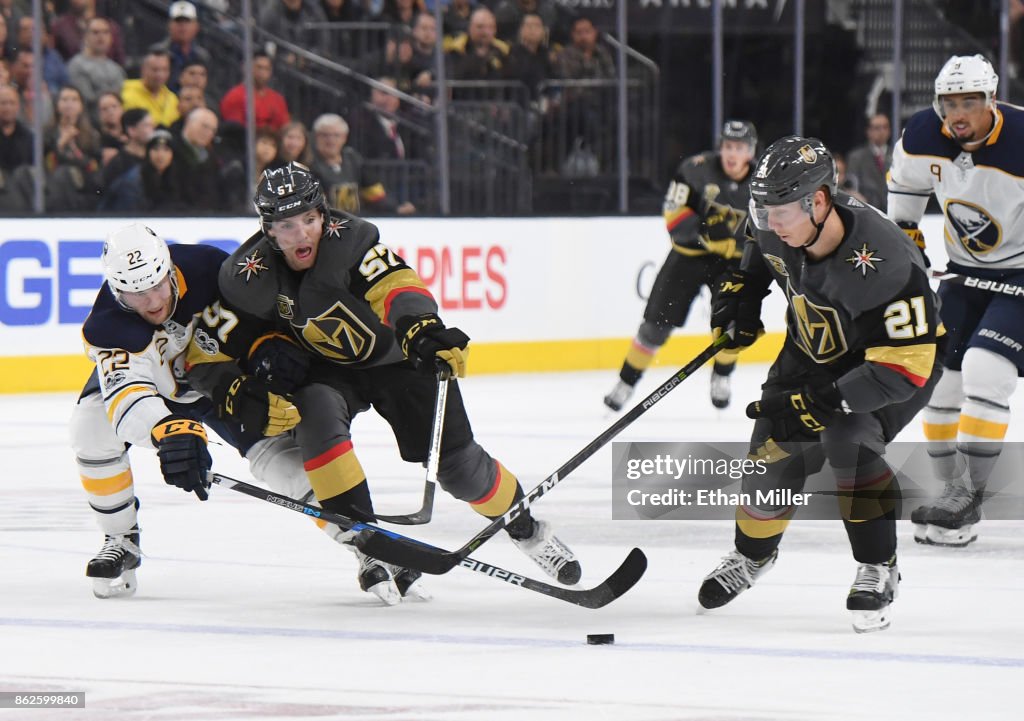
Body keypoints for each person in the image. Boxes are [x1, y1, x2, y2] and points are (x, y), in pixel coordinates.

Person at [184, 162, 583, 592]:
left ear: (323, 214)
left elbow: (395, 284)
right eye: (285, 225)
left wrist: (420, 326)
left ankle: (528, 530)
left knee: (461, 470)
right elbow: (207, 348)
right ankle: (365, 544)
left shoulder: (352, 240)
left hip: (397, 361)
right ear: (267, 229)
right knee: (315, 416)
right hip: (325, 370)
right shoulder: (247, 276)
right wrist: (234, 387)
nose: (301, 234)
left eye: (309, 219)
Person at [71, 223, 422, 604]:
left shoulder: (207, 267)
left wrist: (265, 347)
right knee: (90, 425)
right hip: (157, 387)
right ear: (117, 292)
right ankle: (121, 539)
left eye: (157, 285)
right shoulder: (108, 326)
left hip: (219, 380)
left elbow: (260, 313)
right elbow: (127, 397)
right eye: (137, 295)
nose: (154, 302)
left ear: (170, 268)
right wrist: (167, 430)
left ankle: (366, 543)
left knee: (285, 464)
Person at [697, 136, 941, 633]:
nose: (769, 222)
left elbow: (907, 368)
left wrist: (827, 402)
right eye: (761, 209)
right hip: (812, 351)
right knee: (771, 451)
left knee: (847, 441)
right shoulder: (778, 221)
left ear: (820, 201)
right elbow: (754, 248)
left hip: (892, 365)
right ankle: (753, 557)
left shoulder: (886, 260)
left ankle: (879, 566)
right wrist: (741, 293)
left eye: (779, 211)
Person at [887, 54, 1023, 547]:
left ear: (992, 100)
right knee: (939, 384)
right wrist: (913, 262)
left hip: (1022, 275)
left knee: (988, 370)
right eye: (950, 103)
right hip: (964, 273)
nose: (959, 113)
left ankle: (969, 493)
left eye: (970, 101)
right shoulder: (923, 136)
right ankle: (950, 498)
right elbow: (903, 210)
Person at [604, 120, 758, 412]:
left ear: (750, 152)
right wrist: (703, 229)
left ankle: (722, 376)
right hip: (689, 256)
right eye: (727, 146)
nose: (731, 154)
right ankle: (626, 381)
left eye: (739, 148)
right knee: (654, 327)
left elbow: (771, 229)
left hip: (733, 262)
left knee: (733, 323)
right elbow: (672, 216)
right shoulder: (695, 170)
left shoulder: (761, 185)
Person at [846, 113, 891, 211]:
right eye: (877, 128)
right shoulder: (856, 157)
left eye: (885, 127)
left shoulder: (896, 156)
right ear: (869, 131)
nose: (882, 131)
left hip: (892, 212)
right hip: (866, 212)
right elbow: (851, 186)